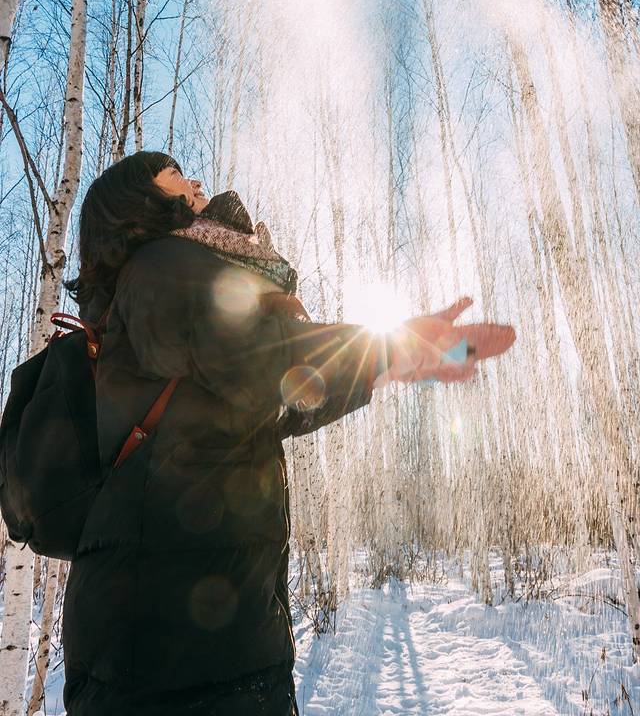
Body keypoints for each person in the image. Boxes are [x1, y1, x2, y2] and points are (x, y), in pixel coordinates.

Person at [61, 151, 515, 716]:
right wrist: (391, 348)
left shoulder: (162, 283)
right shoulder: (161, 265)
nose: (194, 179)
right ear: (139, 203)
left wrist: (392, 362)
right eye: (173, 174)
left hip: (189, 622)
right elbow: (255, 362)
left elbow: (282, 399)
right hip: (169, 637)